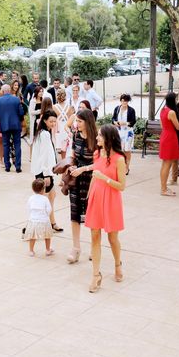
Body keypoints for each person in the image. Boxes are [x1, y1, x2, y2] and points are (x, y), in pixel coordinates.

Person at [85, 124, 127, 293]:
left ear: (109, 138)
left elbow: (122, 186)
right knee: (94, 236)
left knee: (112, 238)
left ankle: (118, 264)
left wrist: (104, 178)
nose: (97, 138)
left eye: (100, 136)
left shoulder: (119, 159)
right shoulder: (97, 154)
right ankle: (96, 275)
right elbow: (94, 177)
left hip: (111, 199)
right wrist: (89, 196)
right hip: (96, 197)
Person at [66, 109, 97, 264]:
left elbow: (100, 163)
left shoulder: (97, 139)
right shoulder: (76, 135)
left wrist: (83, 169)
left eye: (79, 121)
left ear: (87, 122)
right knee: (75, 213)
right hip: (75, 179)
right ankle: (76, 248)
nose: (76, 124)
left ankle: (94, 247)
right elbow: (72, 155)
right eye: (76, 121)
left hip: (92, 181)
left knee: (92, 215)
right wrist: (71, 166)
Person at [31, 110, 62, 232]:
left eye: (55, 121)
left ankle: (52, 222)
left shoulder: (43, 132)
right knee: (44, 200)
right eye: (51, 121)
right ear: (44, 121)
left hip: (43, 171)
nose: (53, 123)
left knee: (51, 196)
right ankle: (42, 224)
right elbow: (43, 156)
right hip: (44, 172)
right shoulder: (44, 134)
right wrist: (46, 175)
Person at [0, 84, 25, 173]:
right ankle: (18, 166)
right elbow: (21, 112)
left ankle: (7, 166)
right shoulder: (16, 99)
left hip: (5, 125)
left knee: (5, 145)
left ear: (3, 91)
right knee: (17, 145)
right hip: (16, 125)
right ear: (10, 90)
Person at [23, 179, 54, 257]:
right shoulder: (45, 199)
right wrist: (46, 215)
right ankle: (47, 250)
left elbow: (28, 208)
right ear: (43, 189)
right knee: (47, 236)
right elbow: (49, 209)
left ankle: (31, 250)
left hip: (33, 220)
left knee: (32, 236)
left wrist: (31, 216)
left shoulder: (31, 198)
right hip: (44, 220)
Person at [159, 92, 179, 197]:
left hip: (164, 135)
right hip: (171, 138)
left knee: (164, 163)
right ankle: (163, 189)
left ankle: (163, 187)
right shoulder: (171, 112)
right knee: (168, 164)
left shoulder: (163, 110)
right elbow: (178, 127)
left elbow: (162, 125)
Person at [112, 94, 137, 174]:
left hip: (128, 133)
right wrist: (115, 122)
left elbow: (133, 122)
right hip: (118, 132)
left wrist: (125, 123)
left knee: (127, 150)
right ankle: (120, 166)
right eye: (123, 100)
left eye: (126, 100)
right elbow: (113, 119)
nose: (124, 102)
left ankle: (126, 167)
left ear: (128, 101)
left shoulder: (131, 110)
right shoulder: (117, 108)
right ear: (121, 100)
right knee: (119, 150)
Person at [53, 89, 73, 160]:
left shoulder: (54, 107)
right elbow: (71, 120)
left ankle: (63, 162)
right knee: (67, 147)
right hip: (67, 128)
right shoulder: (69, 107)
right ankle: (66, 163)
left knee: (62, 149)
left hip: (59, 129)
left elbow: (53, 120)